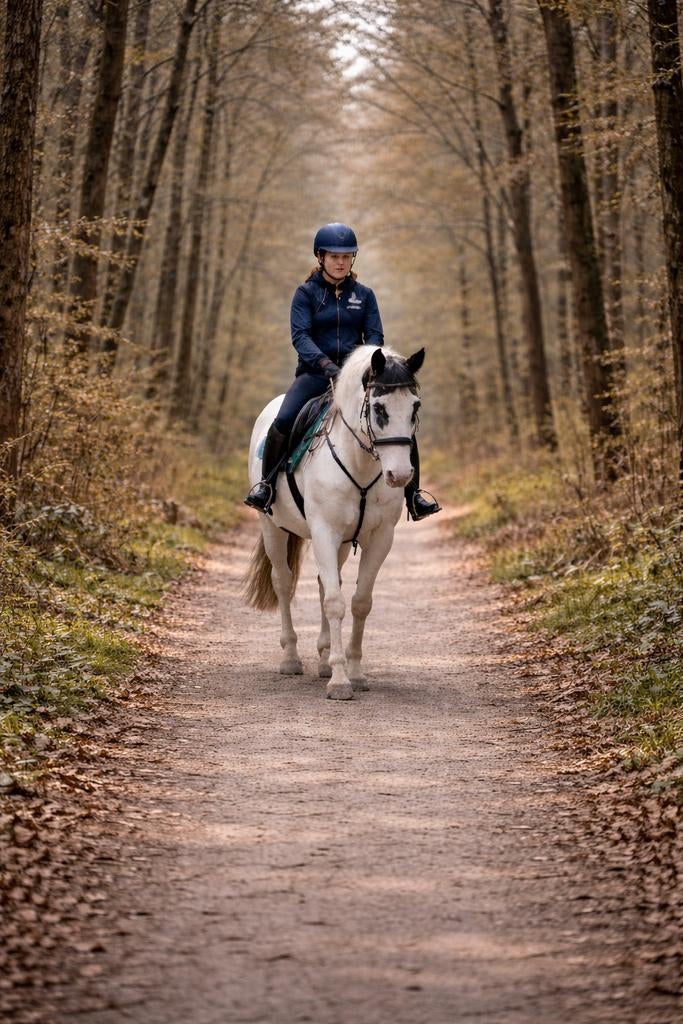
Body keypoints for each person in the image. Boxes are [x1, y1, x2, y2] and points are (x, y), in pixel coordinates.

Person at [244, 223, 440, 520]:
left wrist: (359, 369)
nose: (340, 262)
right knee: (282, 420)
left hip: (359, 379)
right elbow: (301, 337)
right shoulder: (305, 294)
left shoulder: (364, 295)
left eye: (347, 256)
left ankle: (414, 496)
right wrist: (326, 365)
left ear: (352, 260)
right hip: (314, 374)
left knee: (399, 424)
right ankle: (267, 486)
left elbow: (375, 338)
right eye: (334, 256)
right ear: (320, 257)